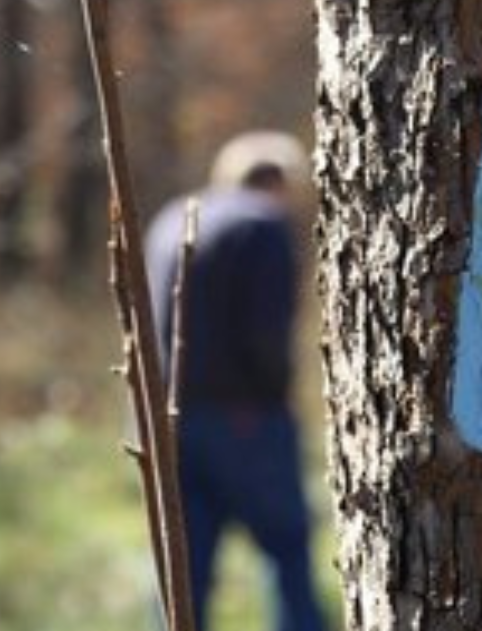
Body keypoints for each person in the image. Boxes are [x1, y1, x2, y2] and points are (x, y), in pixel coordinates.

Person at [146, 130, 325, 631]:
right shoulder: (264, 226)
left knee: (184, 567)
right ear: (281, 182)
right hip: (246, 416)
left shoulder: (174, 218)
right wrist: (278, 397)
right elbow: (268, 333)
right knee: (287, 550)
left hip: (169, 416)